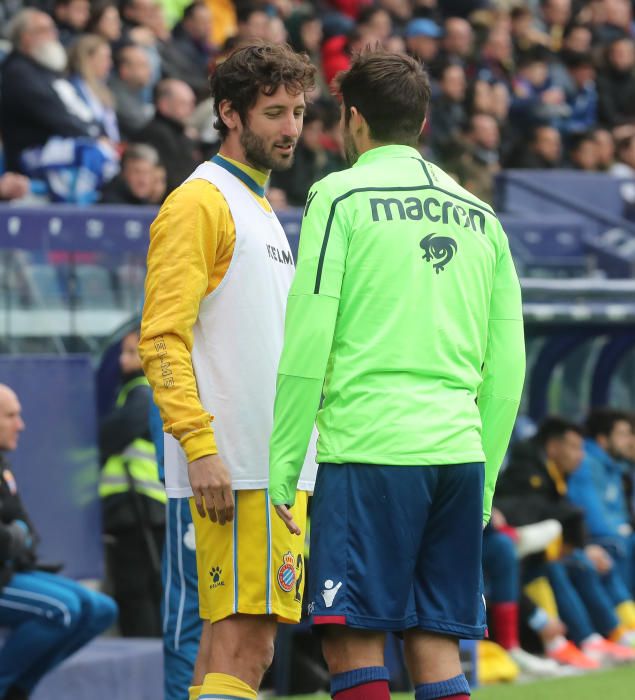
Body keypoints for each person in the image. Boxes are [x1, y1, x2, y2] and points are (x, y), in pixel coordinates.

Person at [268, 49, 526, 700]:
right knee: (434, 644)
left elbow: (307, 337)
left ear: (351, 120)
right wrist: (485, 478)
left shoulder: (338, 195)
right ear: (423, 120)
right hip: (458, 457)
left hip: (369, 450)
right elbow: (506, 371)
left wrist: (282, 470)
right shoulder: (480, 216)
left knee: (349, 638)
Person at [139, 42, 318, 700]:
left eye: (298, 111)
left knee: (229, 645)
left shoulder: (261, 209)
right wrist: (200, 446)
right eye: (273, 112)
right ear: (228, 113)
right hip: (234, 467)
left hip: (266, 466)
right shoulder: (200, 202)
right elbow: (161, 336)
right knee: (245, 645)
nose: (291, 128)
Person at [0, 384, 117, 700]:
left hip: (12, 571)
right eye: (11, 416)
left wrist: (16, 536)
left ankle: (18, 689)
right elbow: (10, 534)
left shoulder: (3, 465)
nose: (21, 424)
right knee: (60, 610)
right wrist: (13, 535)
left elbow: (27, 533)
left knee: (100, 609)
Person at [99, 329, 166, 637]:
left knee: (137, 591)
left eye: (131, 352)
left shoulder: (141, 391)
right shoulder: (132, 392)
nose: (124, 359)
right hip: (138, 507)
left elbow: (111, 435)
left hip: (138, 506)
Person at [68, 33, 120, 144]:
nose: (110, 64)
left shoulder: (103, 89)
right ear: (87, 59)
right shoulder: (73, 88)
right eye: (105, 58)